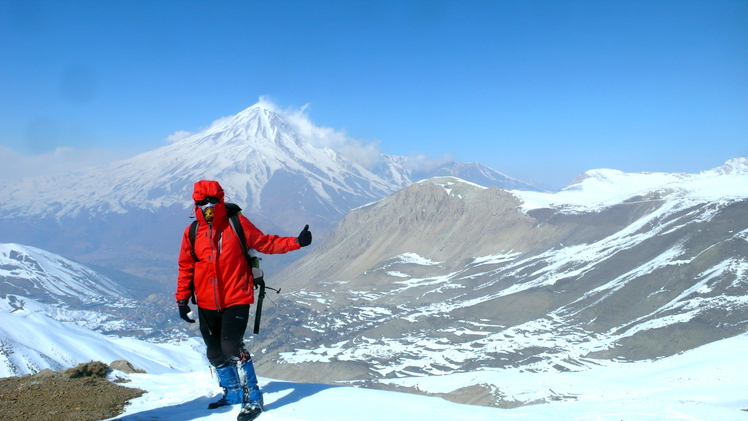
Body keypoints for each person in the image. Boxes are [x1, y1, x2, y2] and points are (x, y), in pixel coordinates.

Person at [175, 180, 311, 421]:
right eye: (201, 202)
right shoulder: (193, 232)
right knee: (215, 353)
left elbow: (265, 242)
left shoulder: (236, 224)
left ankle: (253, 398)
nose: (207, 206)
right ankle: (233, 392)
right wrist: (182, 300)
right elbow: (186, 267)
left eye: (212, 201)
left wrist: (296, 242)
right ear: (195, 204)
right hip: (205, 302)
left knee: (232, 348)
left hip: (236, 297)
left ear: (220, 200)